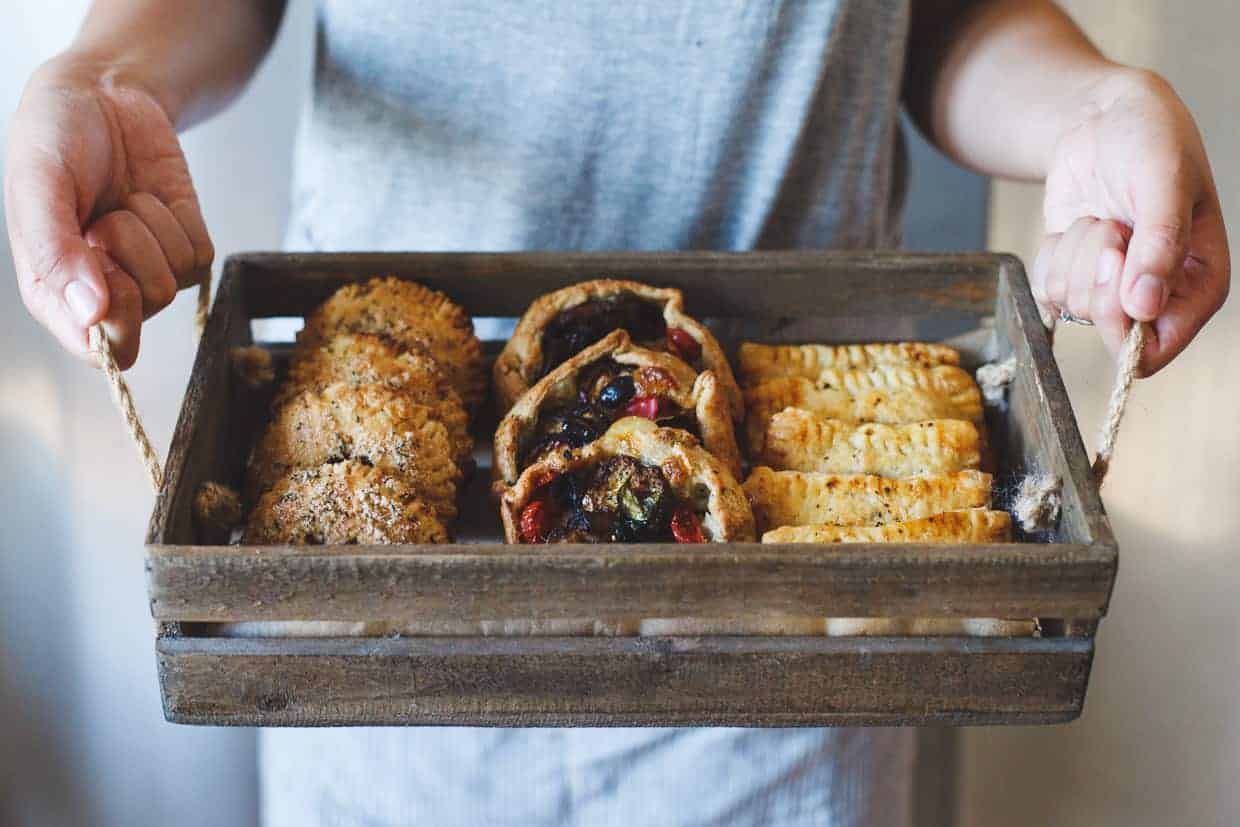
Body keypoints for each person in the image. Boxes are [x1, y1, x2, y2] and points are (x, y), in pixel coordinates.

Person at [5, 1, 1228, 825]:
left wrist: (1086, 107)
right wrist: (104, 71)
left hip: (786, 673)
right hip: (381, 639)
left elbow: (943, 16)